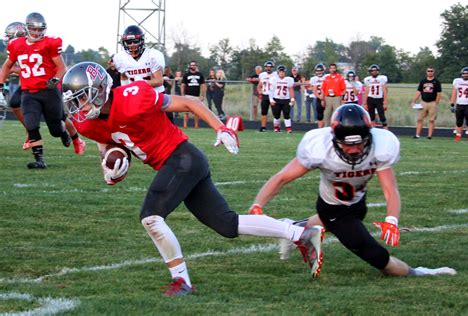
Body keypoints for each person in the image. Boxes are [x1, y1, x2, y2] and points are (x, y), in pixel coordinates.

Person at [61, 61, 324, 296]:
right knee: (226, 225)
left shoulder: (133, 96)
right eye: (75, 101)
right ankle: (300, 233)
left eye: (83, 98)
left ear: (101, 89)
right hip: (179, 164)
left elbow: (190, 102)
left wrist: (221, 128)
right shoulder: (87, 123)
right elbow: (108, 145)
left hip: (182, 158)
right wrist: (110, 168)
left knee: (151, 217)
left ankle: (181, 281)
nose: (79, 107)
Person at [249, 103, 457, 278]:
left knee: (348, 216)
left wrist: (392, 220)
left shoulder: (382, 145)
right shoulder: (319, 148)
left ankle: (292, 229)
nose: (355, 150)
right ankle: (418, 272)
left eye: (360, 144)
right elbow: (283, 177)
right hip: (333, 208)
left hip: (357, 200)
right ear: (335, 139)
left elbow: (390, 188)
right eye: (348, 145)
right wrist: (258, 205)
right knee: (375, 255)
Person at [0, 13, 86, 169]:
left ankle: (72, 137)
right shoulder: (16, 45)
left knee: (56, 126)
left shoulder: (49, 43)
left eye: (39, 29)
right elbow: (7, 66)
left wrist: (55, 79)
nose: (36, 33)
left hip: (49, 88)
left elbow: (60, 67)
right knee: (31, 123)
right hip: (29, 90)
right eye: (33, 29)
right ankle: (39, 159)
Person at [113, 25, 165, 92]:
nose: (132, 44)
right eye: (129, 42)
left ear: (142, 40)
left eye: (135, 41)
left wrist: (140, 84)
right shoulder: (120, 58)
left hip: (155, 93)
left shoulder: (152, 55)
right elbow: (124, 76)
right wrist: (126, 89)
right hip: (135, 95)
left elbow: (159, 81)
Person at [411, 67, 442, 139]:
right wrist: (414, 101)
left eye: (431, 71)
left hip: (432, 103)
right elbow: (419, 92)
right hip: (423, 102)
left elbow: (439, 93)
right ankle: (417, 135)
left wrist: (436, 103)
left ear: (433, 72)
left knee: (431, 120)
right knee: (419, 119)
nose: (430, 72)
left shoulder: (436, 82)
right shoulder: (423, 81)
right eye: (428, 71)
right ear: (426, 72)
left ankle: (429, 136)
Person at [450, 67, 468, 142]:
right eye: (464, 74)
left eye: (467, 74)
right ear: (461, 74)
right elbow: (454, 93)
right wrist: (452, 104)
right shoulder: (457, 81)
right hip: (460, 103)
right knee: (459, 121)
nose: (465, 75)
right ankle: (458, 136)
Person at [269, 65, 295, 133]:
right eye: (280, 72)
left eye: (283, 72)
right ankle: (276, 127)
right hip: (276, 99)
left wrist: (292, 99)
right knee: (276, 115)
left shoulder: (289, 79)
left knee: (286, 114)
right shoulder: (274, 79)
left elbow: (291, 89)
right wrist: (271, 99)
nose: (281, 73)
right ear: (278, 72)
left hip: (286, 99)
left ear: (285, 72)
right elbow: (271, 90)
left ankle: (288, 128)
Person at [181, 60, 206, 129]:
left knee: (196, 111)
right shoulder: (186, 75)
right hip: (187, 95)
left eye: (194, 65)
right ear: (190, 66)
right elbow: (183, 85)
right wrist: (182, 95)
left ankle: (196, 126)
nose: (192, 66)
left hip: (196, 96)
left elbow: (203, 85)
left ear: (196, 66)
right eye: (191, 65)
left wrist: (203, 95)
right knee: (186, 111)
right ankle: (185, 126)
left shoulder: (200, 74)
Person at [364, 64, 389, 129]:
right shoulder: (367, 79)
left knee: (382, 117)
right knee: (371, 117)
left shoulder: (382, 78)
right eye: (372, 71)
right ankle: (372, 132)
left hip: (379, 99)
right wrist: (365, 102)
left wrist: (385, 101)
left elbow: (385, 90)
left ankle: (386, 132)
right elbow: (367, 91)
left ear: (378, 71)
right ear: (370, 72)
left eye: (375, 71)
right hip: (370, 99)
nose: (374, 72)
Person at [257, 61, 277, 132]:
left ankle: (276, 127)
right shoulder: (262, 75)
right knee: (264, 112)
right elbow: (259, 85)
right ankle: (263, 127)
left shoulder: (276, 74)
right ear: (265, 67)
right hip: (265, 95)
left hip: (273, 95)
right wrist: (260, 92)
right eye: (267, 67)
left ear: (272, 68)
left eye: (270, 67)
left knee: (275, 112)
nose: (268, 68)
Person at [310, 64, 326, 128]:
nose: (319, 72)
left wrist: (323, 98)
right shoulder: (313, 79)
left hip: (326, 98)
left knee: (327, 114)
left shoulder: (326, 77)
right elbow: (314, 90)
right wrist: (320, 98)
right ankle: (320, 129)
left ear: (323, 71)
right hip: (318, 98)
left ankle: (326, 128)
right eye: (317, 71)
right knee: (319, 115)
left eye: (321, 71)